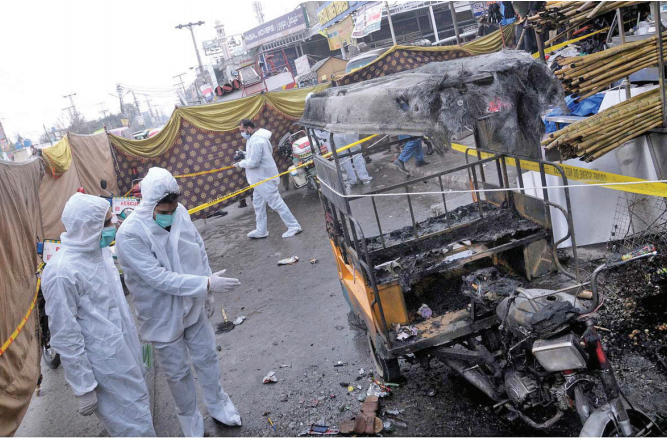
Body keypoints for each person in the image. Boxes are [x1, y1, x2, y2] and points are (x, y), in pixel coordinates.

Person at [115, 167, 242, 437]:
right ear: (148, 204)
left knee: (207, 357)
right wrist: (205, 284)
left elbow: (197, 247)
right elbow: (158, 278)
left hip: (192, 304)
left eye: (173, 209)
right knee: (178, 373)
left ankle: (218, 404)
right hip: (161, 314)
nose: (170, 215)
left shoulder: (179, 211)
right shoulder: (129, 234)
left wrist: (206, 285)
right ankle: (190, 422)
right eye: (163, 212)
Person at [41, 193, 155, 437]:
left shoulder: (97, 250)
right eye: (106, 223)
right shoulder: (61, 273)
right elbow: (65, 334)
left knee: (140, 413)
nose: (112, 226)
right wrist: (83, 387)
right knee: (133, 427)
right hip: (103, 366)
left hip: (124, 351)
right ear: (86, 227)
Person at [234, 119, 302, 239]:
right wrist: (244, 154)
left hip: (263, 178)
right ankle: (261, 230)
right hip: (259, 179)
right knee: (258, 205)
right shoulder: (256, 138)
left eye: (242, 130)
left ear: (249, 128)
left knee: (276, 204)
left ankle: (293, 226)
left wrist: (241, 163)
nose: (242, 133)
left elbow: (254, 162)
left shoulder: (257, 141)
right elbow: (258, 155)